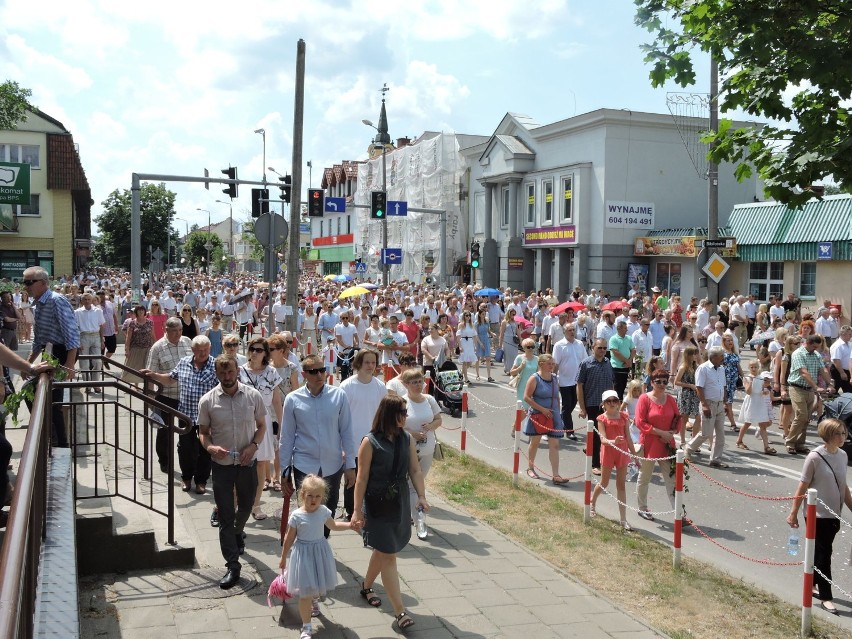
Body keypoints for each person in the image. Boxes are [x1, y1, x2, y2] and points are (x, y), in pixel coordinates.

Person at [351, 395, 428, 632]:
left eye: (406, 412)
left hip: (399, 503)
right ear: (389, 414)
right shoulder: (370, 442)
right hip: (376, 505)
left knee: (383, 551)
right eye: (402, 412)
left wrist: (422, 496)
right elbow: (361, 478)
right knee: (389, 555)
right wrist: (356, 511)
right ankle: (400, 611)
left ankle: (366, 587)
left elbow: (415, 470)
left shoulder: (406, 438)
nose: (406, 416)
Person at [197, 353, 266, 590]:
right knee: (226, 515)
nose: (227, 377)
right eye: (222, 372)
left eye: (230, 372)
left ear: (238, 371)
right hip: (222, 467)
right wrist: (210, 447)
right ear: (217, 374)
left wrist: (254, 445)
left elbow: (262, 426)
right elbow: (203, 432)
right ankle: (232, 565)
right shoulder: (208, 401)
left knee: (246, 507)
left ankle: (238, 532)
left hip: (247, 464)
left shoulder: (252, 395)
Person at [279, 354, 356, 539]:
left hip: (333, 464)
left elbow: (347, 432)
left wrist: (351, 465)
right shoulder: (292, 399)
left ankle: (322, 546)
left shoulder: (338, 395)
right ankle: (306, 547)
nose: (320, 375)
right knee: (306, 512)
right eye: (314, 372)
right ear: (304, 374)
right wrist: (284, 470)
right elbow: (287, 437)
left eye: (322, 370)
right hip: (303, 464)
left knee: (328, 511)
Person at [787, 418, 852, 615]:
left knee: (820, 552)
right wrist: (793, 513)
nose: (843, 437)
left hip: (834, 513)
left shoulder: (842, 456)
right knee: (824, 555)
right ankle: (826, 597)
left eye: (844, 432)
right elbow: (802, 486)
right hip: (817, 514)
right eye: (838, 433)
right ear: (828, 436)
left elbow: (843, 486)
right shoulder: (814, 457)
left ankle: (812, 584)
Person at [279, 475, 355, 638]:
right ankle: (306, 627)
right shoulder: (297, 515)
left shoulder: (323, 511)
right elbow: (289, 538)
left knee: (317, 584)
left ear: (323, 497)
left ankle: (314, 599)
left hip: (320, 553)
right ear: (302, 495)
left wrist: (350, 525)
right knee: (305, 591)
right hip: (303, 554)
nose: (314, 500)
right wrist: (283, 557)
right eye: (310, 496)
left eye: (318, 496)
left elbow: (333, 526)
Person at [140, 335, 217, 495]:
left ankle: (201, 481)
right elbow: (170, 379)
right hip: (186, 414)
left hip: (207, 417)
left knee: (205, 449)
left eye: (205, 350)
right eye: (199, 350)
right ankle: (187, 478)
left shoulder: (216, 365)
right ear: (193, 350)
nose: (202, 353)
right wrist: (154, 375)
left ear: (209, 349)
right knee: (185, 448)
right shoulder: (184, 363)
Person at [23, 267, 79, 447]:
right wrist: (28, 363)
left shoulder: (56, 301)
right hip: (50, 351)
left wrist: (70, 365)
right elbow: (39, 338)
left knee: (51, 399)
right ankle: (51, 435)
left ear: (43, 283)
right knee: (33, 392)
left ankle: (58, 441)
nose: (26, 286)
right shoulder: (39, 304)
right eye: (24, 282)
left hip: (61, 352)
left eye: (29, 282)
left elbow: (72, 334)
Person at [339, 349, 387, 521]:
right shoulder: (346, 386)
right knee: (352, 477)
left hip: (373, 441)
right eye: (367, 362)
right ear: (358, 363)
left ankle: (368, 509)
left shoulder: (380, 387)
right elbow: (340, 416)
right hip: (351, 441)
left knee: (370, 476)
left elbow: (383, 414)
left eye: (373, 362)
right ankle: (350, 510)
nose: (370, 366)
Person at [239, 337, 283, 520]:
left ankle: (256, 505)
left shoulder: (271, 372)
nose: (255, 353)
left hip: (262, 421)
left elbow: (276, 400)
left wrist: (280, 426)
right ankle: (239, 503)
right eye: (252, 349)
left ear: (265, 353)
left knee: (260, 464)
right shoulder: (240, 371)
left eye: (259, 350)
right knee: (240, 464)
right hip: (241, 420)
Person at [145, 317, 192, 473]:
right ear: (166, 330)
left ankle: (187, 463)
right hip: (166, 397)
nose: (178, 334)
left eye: (180, 330)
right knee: (164, 432)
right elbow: (150, 374)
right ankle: (164, 461)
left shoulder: (187, 342)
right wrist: (150, 399)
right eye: (174, 331)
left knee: (187, 432)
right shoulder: (157, 348)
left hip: (186, 396)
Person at [635, 368, 682, 522]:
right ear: (652, 382)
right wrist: (660, 433)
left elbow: (677, 418)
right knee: (645, 476)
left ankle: (678, 514)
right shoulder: (644, 398)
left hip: (667, 444)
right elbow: (640, 422)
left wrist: (672, 431)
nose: (662, 384)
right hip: (650, 443)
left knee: (672, 479)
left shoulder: (670, 400)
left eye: (664, 381)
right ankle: (642, 508)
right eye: (658, 381)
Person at [400, 368, 442, 537]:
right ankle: (419, 521)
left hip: (427, 449)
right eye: (414, 382)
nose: (418, 385)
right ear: (406, 385)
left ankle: (412, 514)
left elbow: (439, 419)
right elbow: (396, 425)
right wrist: (411, 434)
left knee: (418, 482)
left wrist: (431, 426)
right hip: (408, 449)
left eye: (419, 381)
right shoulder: (401, 402)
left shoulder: (429, 400)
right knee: (413, 486)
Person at [590, 390, 634, 531]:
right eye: (609, 401)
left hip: (622, 453)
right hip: (608, 452)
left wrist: (635, 457)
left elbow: (628, 437)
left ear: (619, 402)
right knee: (604, 482)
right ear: (603, 404)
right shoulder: (601, 419)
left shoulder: (624, 417)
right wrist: (613, 441)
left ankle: (623, 519)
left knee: (621, 486)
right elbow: (602, 439)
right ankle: (592, 502)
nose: (612, 403)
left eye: (615, 400)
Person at [523, 354, 568, 484]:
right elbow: (527, 397)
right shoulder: (534, 378)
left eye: (553, 364)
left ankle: (556, 475)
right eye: (549, 364)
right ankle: (530, 468)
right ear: (541, 364)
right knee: (535, 442)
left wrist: (557, 413)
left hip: (553, 415)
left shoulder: (554, 378)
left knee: (554, 445)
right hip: (538, 415)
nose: (552, 366)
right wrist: (542, 409)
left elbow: (557, 396)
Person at [786, 335, 834, 455]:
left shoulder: (816, 355)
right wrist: (816, 387)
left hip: (809, 390)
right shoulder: (798, 353)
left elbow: (823, 370)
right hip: (797, 388)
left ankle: (800, 444)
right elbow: (803, 372)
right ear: (807, 343)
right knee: (801, 415)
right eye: (814, 346)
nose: (815, 349)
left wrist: (830, 383)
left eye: (817, 347)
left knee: (806, 419)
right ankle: (790, 442)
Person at [684, 346, 729, 468]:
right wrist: (704, 405)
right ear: (714, 357)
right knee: (706, 433)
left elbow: (723, 387)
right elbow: (699, 388)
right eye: (721, 356)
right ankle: (688, 449)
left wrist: (725, 402)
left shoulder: (721, 369)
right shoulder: (703, 369)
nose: (723, 359)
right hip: (708, 403)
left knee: (720, 435)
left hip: (719, 404)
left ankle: (715, 459)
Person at [577, 339, 615, 475]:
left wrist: (613, 402)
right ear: (593, 347)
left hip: (606, 405)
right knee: (597, 435)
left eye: (605, 348)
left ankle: (594, 452)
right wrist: (582, 407)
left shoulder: (608, 363)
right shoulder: (586, 364)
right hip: (592, 403)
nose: (603, 350)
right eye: (600, 348)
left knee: (606, 434)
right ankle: (595, 464)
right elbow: (579, 385)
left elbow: (611, 383)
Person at [552, 322, 586, 441]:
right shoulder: (559, 345)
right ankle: (569, 431)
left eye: (573, 330)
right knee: (567, 405)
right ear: (564, 332)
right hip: (564, 381)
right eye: (569, 330)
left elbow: (584, 361)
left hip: (577, 382)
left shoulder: (580, 344)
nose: (572, 332)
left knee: (572, 404)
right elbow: (555, 364)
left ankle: (562, 418)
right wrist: (552, 378)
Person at [735, 363, 776, 454]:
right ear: (749, 368)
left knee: (762, 425)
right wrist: (751, 382)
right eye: (752, 367)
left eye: (756, 367)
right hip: (751, 401)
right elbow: (748, 392)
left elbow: (761, 390)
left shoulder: (760, 377)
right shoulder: (747, 378)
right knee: (747, 423)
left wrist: (764, 392)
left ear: (758, 368)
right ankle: (739, 441)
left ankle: (766, 447)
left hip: (759, 402)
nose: (754, 369)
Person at [74, 292, 105, 394]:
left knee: (97, 362)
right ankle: (87, 385)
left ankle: (96, 384)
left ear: (92, 300)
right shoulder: (77, 312)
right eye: (85, 299)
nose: (87, 301)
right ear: (82, 301)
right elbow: (76, 328)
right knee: (84, 363)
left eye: (89, 299)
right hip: (84, 336)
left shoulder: (98, 311)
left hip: (95, 336)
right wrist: (78, 341)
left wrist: (102, 340)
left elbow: (101, 326)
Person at [674, 345, 701, 441]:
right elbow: (676, 382)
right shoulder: (683, 367)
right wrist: (690, 385)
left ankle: (694, 440)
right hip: (685, 394)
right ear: (688, 355)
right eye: (694, 354)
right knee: (684, 418)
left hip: (694, 395)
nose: (696, 356)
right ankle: (682, 440)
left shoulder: (696, 366)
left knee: (698, 417)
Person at [123, 305, 154, 385]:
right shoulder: (132, 323)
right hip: (135, 348)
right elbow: (128, 337)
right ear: (136, 312)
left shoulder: (150, 322)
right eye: (139, 310)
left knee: (147, 368)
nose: (141, 312)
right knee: (135, 367)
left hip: (148, 348)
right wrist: (127, 349)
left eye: (142, 310)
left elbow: (153, 336)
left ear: (144, 312)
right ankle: (135, 385)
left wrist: (156, 346)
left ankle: (147, 386)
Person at [720, 334, 744, 431]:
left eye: (731, 340)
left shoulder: (734, 353)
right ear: (724, 342)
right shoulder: (722, 354)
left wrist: (744, 377)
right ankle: (733, 423)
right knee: (728, 403)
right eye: (728, 340)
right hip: (724, 382)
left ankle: (725, 415)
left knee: (727, 403)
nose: (730, 342)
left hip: (733, 383)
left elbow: (738, 367)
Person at [608, 320, 635, 399]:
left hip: (625, 367)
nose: (627, 330)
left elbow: (633, 350)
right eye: (625, 328)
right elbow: (616, 352)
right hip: (616, 367)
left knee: (623, 385)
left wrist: (629, 360)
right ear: (619, 328)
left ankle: (620, 402)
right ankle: (617, 403)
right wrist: (626, 361)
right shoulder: (613, 339)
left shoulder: (629, 338)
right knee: (617, 387)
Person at [829, 324, 852, 394]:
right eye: (850, 334)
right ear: (843, 334)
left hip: (847, 371)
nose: (851, 336)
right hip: (838, 371)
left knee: (849, 391)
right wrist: (842, 372)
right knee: (834, 390)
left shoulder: (850, 344)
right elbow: (836, 360)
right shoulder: (837, 345)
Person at [455, 313, 477, 383]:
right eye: (466, 315)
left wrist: (475, 345)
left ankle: (461, 373)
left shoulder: (472, 325)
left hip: (470, 343)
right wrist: (460, 346)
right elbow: (458, 336)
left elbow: (474, 335)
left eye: (469, 315)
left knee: (470, 362)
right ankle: (466, 379)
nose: (468, 317)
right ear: (464, 316)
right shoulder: (461, 325)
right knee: (465, 361)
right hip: (464, 342)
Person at [498, 308, 520, 375]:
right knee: (507, 355)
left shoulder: (515, 322)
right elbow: (501, 333)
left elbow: (518, 332)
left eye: (514, 314)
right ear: (509, 314)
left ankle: (513, 369)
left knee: (514, 355)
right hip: (507, 340)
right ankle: (508, 369)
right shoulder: (504, 322)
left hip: (514, 340)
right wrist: (500, 344)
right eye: (512, 314)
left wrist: (521, 341)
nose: (513, 315)